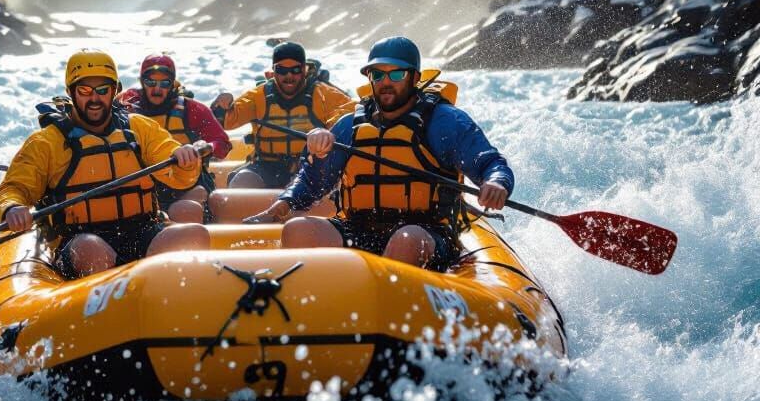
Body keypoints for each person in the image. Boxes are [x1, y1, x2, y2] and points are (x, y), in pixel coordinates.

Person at [245, 37, 513, 271]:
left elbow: (490, 163)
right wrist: (284, 202)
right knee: (298, 230)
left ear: (415, 78)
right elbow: (313, 182)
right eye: (377, 75)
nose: (386, 83)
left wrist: (496, 182)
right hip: (360, 230)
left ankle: (384, 308)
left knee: (406, 239)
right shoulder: (349, 125)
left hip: (427, 233)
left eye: (395, 75)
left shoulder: (444, 121)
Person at [0, 49, 210, 278]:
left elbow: (176, 170)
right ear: (71, 92)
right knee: (93, 251)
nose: (94, 98)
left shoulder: (139, 128)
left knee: (194, 235)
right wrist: (12, 207)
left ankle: (163, 297)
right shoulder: (47, 142)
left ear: (115, 91)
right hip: (80, 238)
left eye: (102, 90)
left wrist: (184, 159)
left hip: (143, 230)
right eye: (85, 91)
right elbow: (14, 188)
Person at [210, 41, 355, 188]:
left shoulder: (324, 94)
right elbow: (225, 122)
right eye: (282, 70)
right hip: (265, 166)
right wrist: (221, 107)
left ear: (304, 70)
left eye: (295, 69)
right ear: (273, 71)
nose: (289, 75)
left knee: (307, 185)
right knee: (242, 181)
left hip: (311, 166)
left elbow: (350, 114)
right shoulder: (258, 96)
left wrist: (327, 132)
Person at [118, 53, 232, 222]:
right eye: (151, 82)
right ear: (142, 82)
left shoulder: (192, 110)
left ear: (172, 84)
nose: (157, 89)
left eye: (164, 83)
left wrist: (207, 147)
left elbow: (222, 145)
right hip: (148, 186)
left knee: (193, 199)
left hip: (190, 184)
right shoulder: (127, 108)